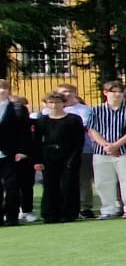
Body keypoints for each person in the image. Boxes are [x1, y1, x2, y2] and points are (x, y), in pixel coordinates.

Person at [87, 81, 126, 219]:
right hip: (101, 151)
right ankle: (108, 209)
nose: (117, 94)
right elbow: (92, 130)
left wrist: (116, 145)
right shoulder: (96, 110)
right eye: (113, 92)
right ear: (105, 93)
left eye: (120, 92)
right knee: (103, 181)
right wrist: (107, 146)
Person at [35, 93, 86, 223]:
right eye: (51, 102)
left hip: (68, 154)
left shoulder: (73, 119)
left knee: (69, 184)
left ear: (63, 103)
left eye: (57, 102)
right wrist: (38, 160)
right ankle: (50, 214)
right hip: (49, 155)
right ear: (46, 104)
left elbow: (79, 141)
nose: (54, 105)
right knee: (50, 185)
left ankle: (69, 213)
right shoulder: (42, 120)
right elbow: (36, 141)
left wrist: (73, 158)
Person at [0, 80, 29, 226]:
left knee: (12, 187)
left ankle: (12, 217)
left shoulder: (18, 109)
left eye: (4, 88)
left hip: (10, 153)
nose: (1, 91)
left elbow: (24, 132)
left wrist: (22, 151)